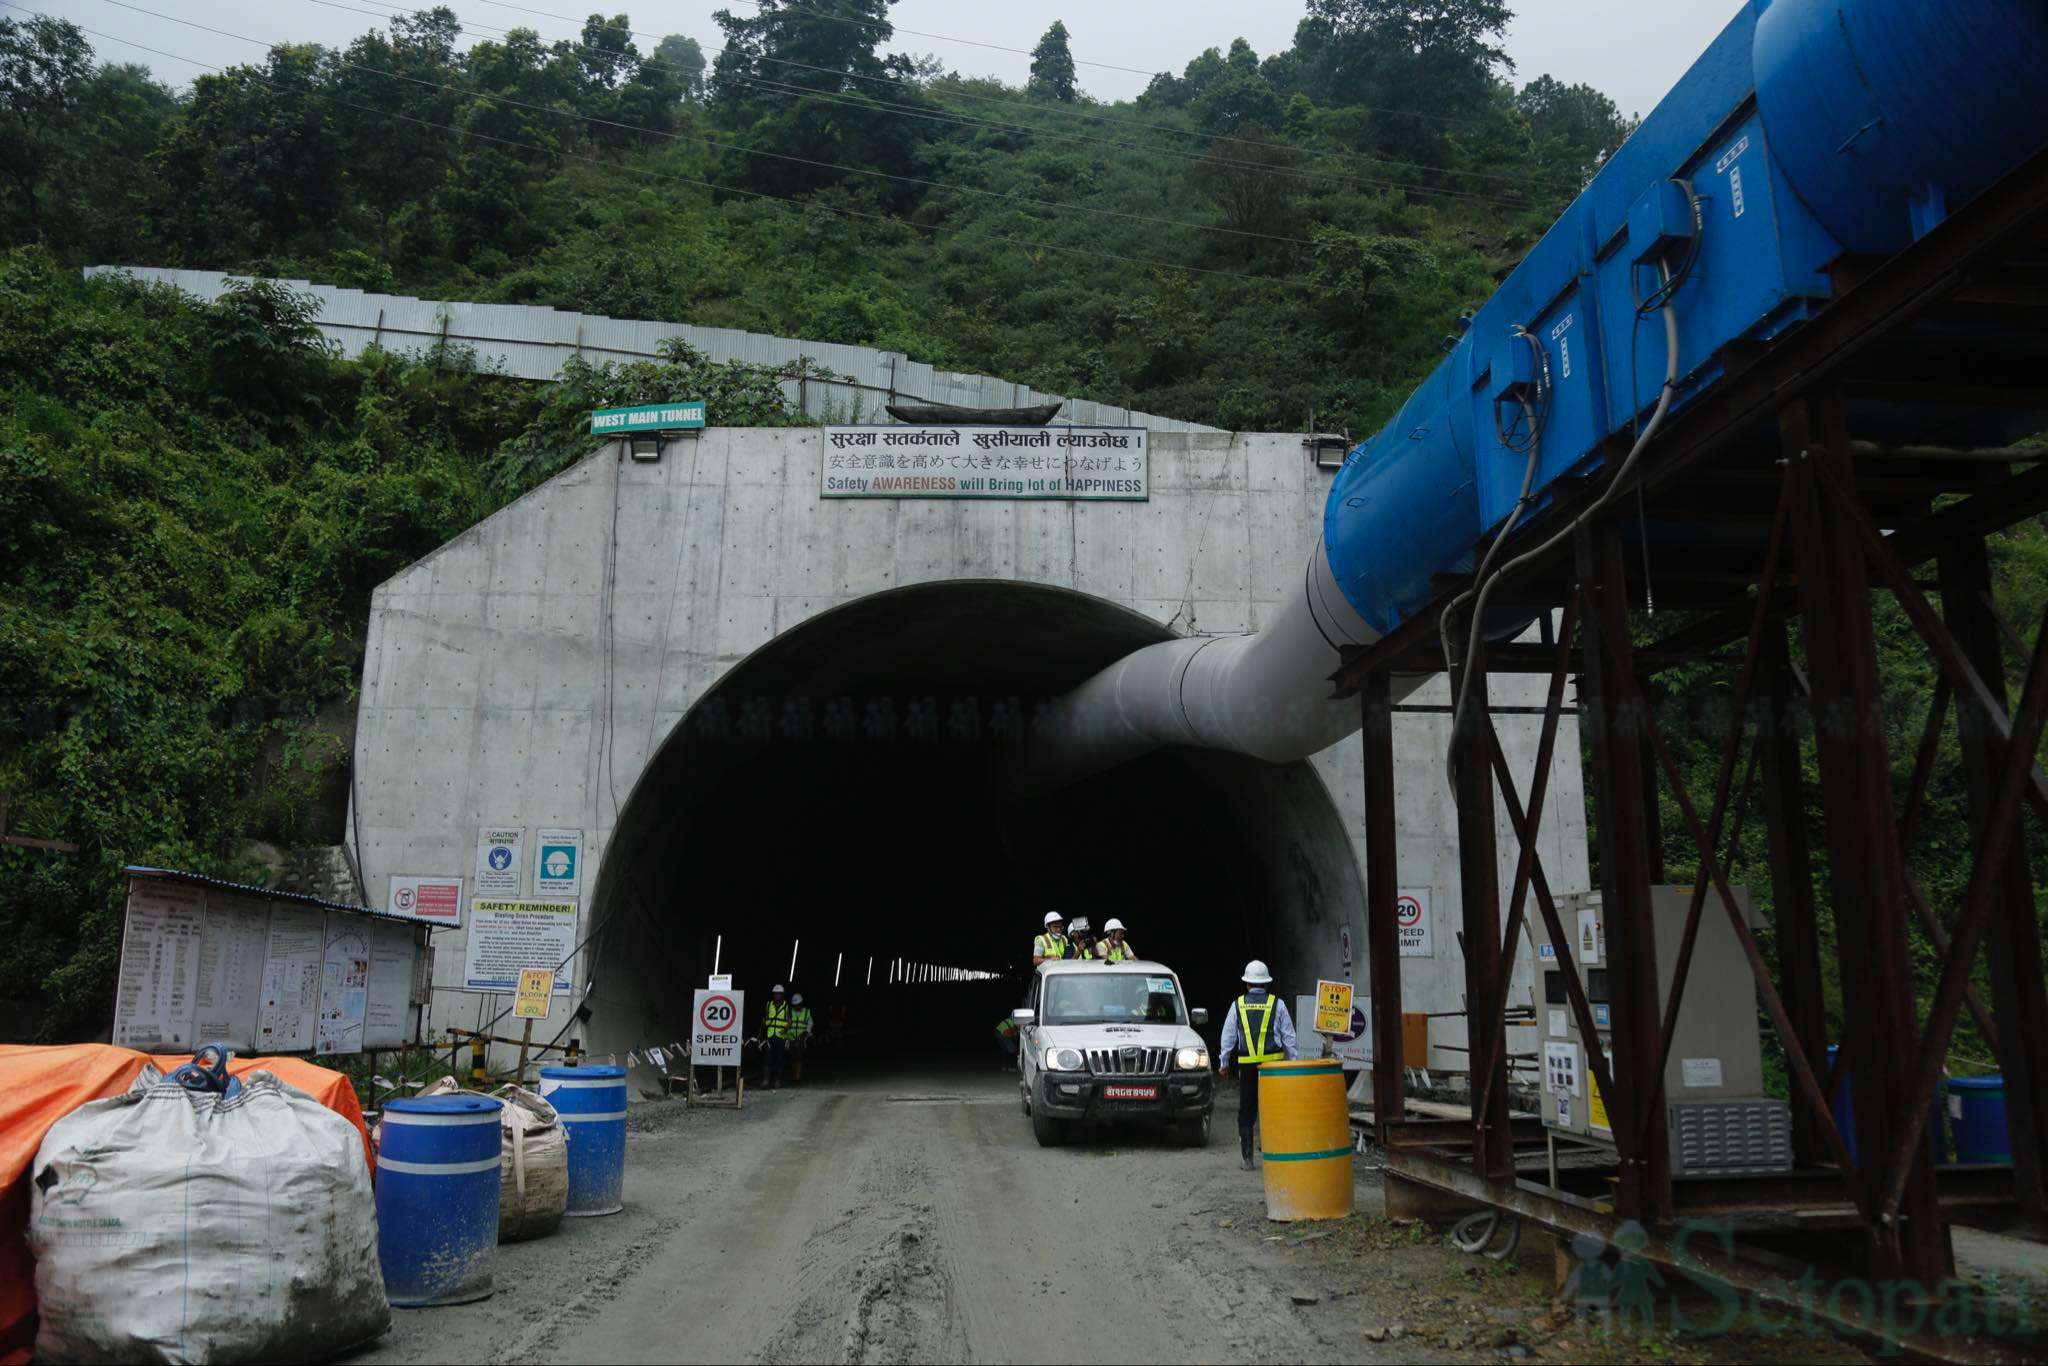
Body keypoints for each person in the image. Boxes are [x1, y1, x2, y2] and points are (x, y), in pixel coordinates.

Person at [1218, 960, 1299, 1170]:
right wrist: (1294, 1062)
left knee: (1247, 1112)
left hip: (1247, 1068)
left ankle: (1248, 1159)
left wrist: (1224, 1062)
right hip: (1274, 1069)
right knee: (1274, 1110)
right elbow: (1289, 1036)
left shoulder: (1238, 1004)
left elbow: (1228, 1036)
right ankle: (1276, 1155)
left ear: (1247, 984)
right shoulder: (1277, 1004)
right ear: (1266, 984)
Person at [764, 984, 795, 1089]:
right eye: (775, 994)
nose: (777, 995)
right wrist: (760, 1033)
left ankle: (777, 1081)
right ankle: (766, 1081)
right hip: (770, 1035)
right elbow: (765, 1018)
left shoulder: (787, 1006)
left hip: (781, 1036)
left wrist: (786, 1028)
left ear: (782, 995)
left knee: (779, 1059)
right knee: (768, 1058)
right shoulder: (769, 1004)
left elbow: (790, 1020)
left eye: (779, 994)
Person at [788, 992, 814, 1085]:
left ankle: (797, 1077)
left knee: (798, 1057)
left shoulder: (806, 1012)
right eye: (795, 1005)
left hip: (801, 1039)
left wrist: (806, 1033)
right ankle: (794, 1076)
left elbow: (810, 1023)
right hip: (790, 1038)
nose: (797, 1006)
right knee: (792, 1058)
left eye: (798, 1004)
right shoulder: (790, 1011)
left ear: (801, 1003)